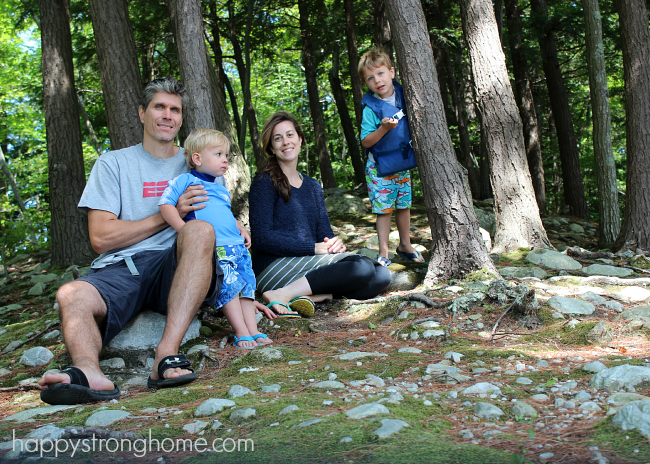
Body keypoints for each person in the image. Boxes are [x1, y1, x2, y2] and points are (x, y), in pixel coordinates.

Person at [38, 78, 225, 405]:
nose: (167, 115)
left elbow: (215, 224)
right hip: (120, 268)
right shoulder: (113, 164)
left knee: (199, 231)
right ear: (142, 113)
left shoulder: (197, 160)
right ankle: (88, 372)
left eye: (175, 109)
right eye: (159, 107)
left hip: (175, 264)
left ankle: (165, 357)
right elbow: (101, 237)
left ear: (181, 118)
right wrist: (166, 214)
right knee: (71, 293)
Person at [248, 111, 391, 316]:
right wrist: (313, 248)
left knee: (382, 275)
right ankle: (280, 294)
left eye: (290, 135)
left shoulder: (313, 186)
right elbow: (261, 238)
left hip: (306, 262)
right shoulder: (264, 182)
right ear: (271, 147)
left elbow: (324, 233)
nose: (285, 142)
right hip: (273, 267)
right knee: (362, 267)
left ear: (300, 139)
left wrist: (334, 244)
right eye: (277, 138)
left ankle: (312, 296)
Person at [159, 129, 272, 349]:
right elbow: (165, 204)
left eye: (226, 155)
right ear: (197, 158)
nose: (225, 159)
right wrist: (184, 229)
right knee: (229, 288)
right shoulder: (186, 181)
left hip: (238, 247)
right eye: (218, 154)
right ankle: (241, 331)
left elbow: (225, 213)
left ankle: (254, 330)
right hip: (217, 248)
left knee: (247, 288)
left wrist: (241, 229)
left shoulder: (220, 188)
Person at [358, 47, 425, 266]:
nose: (377, 80)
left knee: (404, 206)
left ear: (392, 72)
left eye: (380, 73)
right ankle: (384, 252)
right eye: (370, 78)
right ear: (366, 84)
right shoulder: (370, 107)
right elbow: (366, 141)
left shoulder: (404, 94)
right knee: (384, 210)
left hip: (402, 163)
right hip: (379, 168)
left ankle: (405, 244)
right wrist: (383, 129)